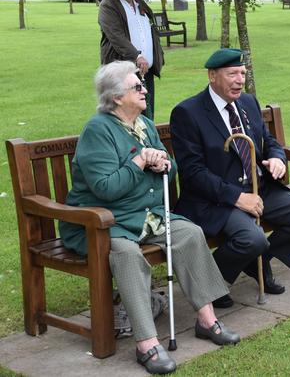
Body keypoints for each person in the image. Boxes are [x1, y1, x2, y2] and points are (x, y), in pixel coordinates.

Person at [59, 61, 239, 375]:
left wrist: (163, 164)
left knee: (190, 233)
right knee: (128, 256)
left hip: (145, 216)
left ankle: (207, 320)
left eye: (143, 85)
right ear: (116, 98)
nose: (145, 90)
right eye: (137, 87)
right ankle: (147, 343)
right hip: (102, 223)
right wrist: (141, 161)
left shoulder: (144, 124)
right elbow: (105, 189)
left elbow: (169, 168)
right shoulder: (98, 130)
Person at [170, 48, 290, 308]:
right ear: (212, 76)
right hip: (217, 199)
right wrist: (237, 198)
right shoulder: (188, 112)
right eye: (232, 74)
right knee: (252, 239)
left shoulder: (248, 103)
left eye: (242, 73)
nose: (240, 80)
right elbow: (193, 173)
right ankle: (213, 281)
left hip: (259, 188)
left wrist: (277, 158)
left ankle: (258, 262)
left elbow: (270, 141)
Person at [99, 0, 163, 120]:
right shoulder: (108, 5)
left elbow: (151, 32)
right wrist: (137, 56)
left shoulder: (141, 4)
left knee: (147, 115)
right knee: (124, 116)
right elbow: (116, 36)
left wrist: (158, 56)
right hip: (122, 75)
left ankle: (148, 144)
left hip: (144, 73)